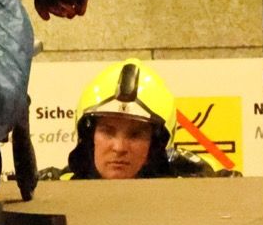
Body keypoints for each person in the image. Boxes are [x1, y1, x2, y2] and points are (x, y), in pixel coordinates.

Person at [65, 59, 214, 179]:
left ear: (155, 146)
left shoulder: (192, 192)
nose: (119, 147)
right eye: (108, 132)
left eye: (135, 135)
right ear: (89, 138)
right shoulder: (58, 191)